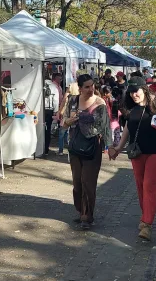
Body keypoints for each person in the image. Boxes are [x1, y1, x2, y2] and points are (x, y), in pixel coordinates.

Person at [109, 76, 156, 240]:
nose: (134, 95)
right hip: (137, 151)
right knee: (140, 185)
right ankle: (146, 214)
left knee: (149, 185)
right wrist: (119, 147)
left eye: (136, 91)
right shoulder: (130, 105)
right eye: (131, 92)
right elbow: (128, 126)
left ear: (144, 89)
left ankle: (147, 223)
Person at [62, 74, 111, 230]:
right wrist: (68, 121)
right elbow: (63, 122)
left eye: (92, 86)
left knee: (88, 182)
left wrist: (110, 147)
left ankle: (86, 216)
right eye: (87, 87)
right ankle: (80, 210)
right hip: (75, 146)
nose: (91, 89)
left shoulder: (100, 103)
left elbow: (106, 126)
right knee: (77, 182)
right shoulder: (72, 101)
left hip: (93, 146)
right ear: (80, 88)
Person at [44, 73, 65, 155]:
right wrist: (56, 111)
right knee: (47, 129)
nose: (60, 80)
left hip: (41, 109)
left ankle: (41, 147)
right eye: (59, 78)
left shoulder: (41, 85)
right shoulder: (53, 87)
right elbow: (56, 100)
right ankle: (46, 149)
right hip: (49, 110)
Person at [58, 82, 80, 155]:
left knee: (62, 133)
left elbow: (64, 100)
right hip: (77, 115)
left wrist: (60, 111)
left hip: (67, 114)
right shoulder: (82, 93)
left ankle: (61, 150)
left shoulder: (71, 86)